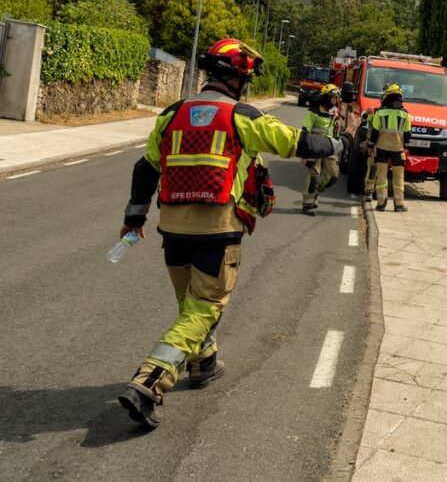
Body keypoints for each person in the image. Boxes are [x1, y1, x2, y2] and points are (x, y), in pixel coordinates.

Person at [116, 38, 339, 429]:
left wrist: (134, 218)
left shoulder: (171, 114)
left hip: (172, 229)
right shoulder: (242, 115)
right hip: (218, 231)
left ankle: (204, 364)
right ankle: (150, 379)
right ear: (239, 79)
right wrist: (340, 142)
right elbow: (298, 143)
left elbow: (145, 168)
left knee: (192, 306)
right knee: (205, 307)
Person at [369, 83, 412, 212]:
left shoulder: (380, 112)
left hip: (381, 148)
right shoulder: (405, 114)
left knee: (381, 175)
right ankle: (399, 204)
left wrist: (371, 145)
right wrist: (405, 147)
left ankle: (381, 203)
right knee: (398, 176)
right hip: (398, 149)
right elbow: (408, 134)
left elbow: (374, 132)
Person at [301, 83, 342, 216]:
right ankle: (308, 203)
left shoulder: (333, 112)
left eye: (336, 98)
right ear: (326, 98)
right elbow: (305, 131)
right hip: (314, 148)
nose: (335, 101)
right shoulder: (313, 111)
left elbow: (334, 131)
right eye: (333, 98)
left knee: (333, 176)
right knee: (314, 176)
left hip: (329, 148)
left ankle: (315, 191)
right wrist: (306, 151)